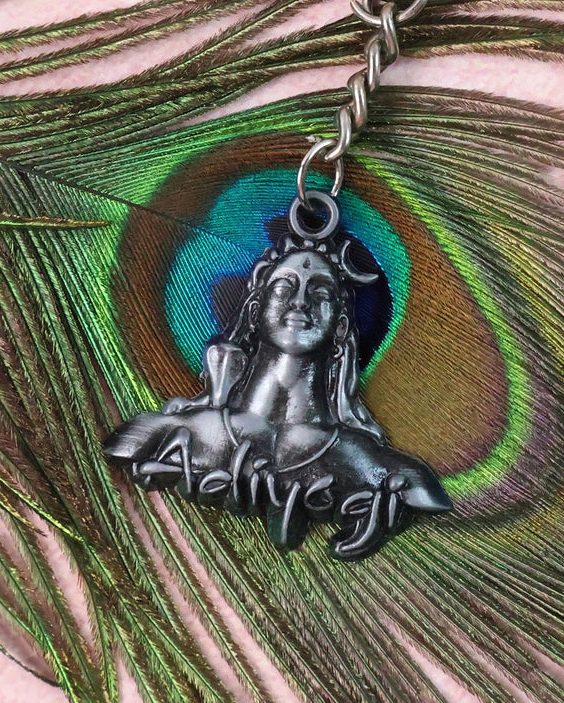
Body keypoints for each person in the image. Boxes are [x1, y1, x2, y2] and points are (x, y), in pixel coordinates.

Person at [105, 210, 452, 560]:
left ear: (340, 326)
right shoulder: (166, 436)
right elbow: (122, 448)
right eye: (285, 287)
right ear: (256, 309)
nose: (300, 301)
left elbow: (424, 495)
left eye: (321, 292)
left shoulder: (379, 469)